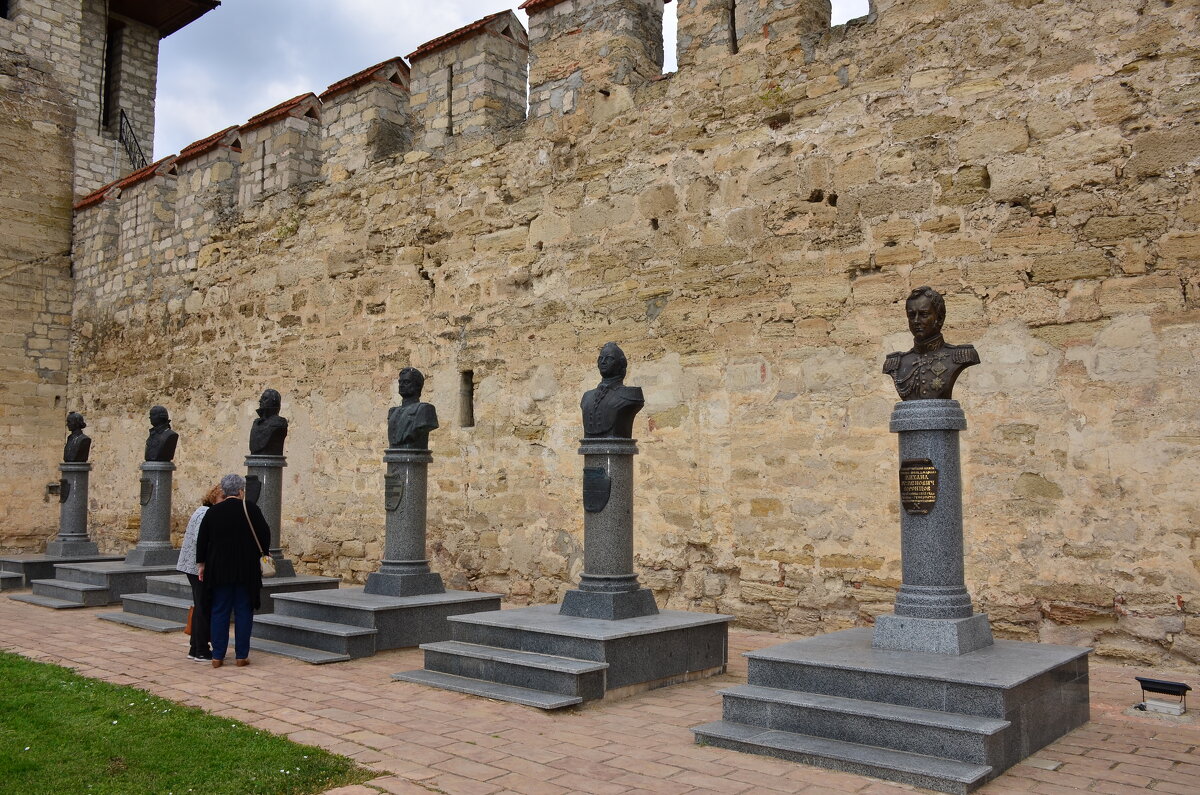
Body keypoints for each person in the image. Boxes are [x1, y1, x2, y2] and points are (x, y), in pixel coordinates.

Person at [196, 473, 270, 668]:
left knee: (219, 610)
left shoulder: (213, 512)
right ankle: (241, 656)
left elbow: (202, 540)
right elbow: (265, 534)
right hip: (246, 569)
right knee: (243, 611)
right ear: (240, 491)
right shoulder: (251, 510)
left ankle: (217, 656)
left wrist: (201, 565)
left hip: (219, 570)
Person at [883, 286, 980, 401]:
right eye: (912, 315)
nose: (916, 321)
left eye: (923, 315)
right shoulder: (896, 364)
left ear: (939, 318)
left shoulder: (961, 356)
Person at [177, 484, 223, 661]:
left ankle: (195, 647)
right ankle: (202, 649)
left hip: (194, 566)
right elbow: (201, 541)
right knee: (204, 606)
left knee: (201, 606)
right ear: (213, 497)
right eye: (222, 498)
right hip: (198, 568)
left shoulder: (204, 511)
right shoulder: (205, 512)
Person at [387, 367, 438, 449]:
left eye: (406, 382)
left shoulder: (425, 409)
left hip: (414, 457)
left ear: (417, 386)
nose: (401, 385)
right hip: (393, 456)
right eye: (400, 382)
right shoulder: (392, 411)